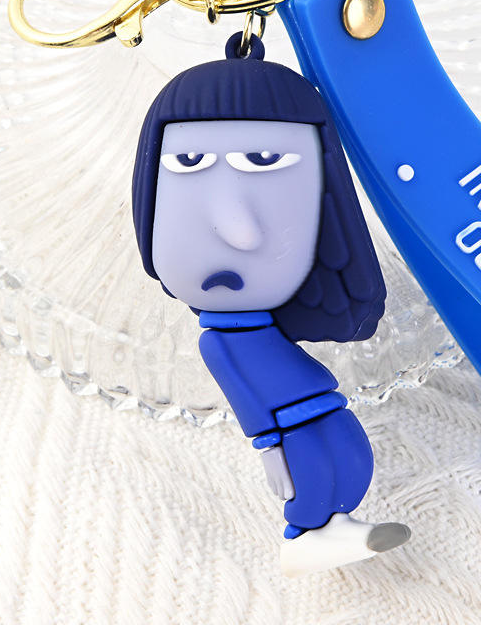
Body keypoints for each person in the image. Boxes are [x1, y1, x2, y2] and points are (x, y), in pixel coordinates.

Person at [131, 34, 410, 575]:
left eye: (262, 160)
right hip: (288, 424)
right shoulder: (220, 344)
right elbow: (244, 396)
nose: (238, 232)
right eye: (188, 161)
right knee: (315, 471)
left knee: (352, 455)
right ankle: (305, 534)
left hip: (321, 404)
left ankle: (335, 527)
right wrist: (269, 447)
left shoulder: (257, 321)